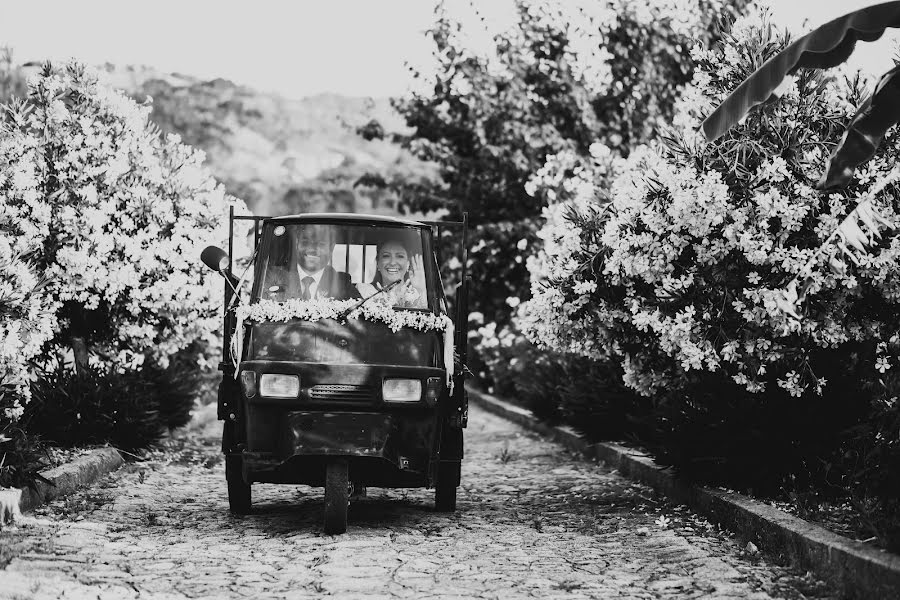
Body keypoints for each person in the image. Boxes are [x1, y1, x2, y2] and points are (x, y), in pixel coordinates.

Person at [264, 224, 359, 301]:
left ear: (331, 248)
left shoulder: (342, 284)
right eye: (306, 242)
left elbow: (361, 319)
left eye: (321, 244)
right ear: (297, 243)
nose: (313, 249)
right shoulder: (272, 277)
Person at [357, 238, 428, 308]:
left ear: (408, 263)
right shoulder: (365, 292)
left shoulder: (418, 294)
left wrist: (421, 290)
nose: (393, 262)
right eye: (386, 256)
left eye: (400, 256)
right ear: (378, 264)